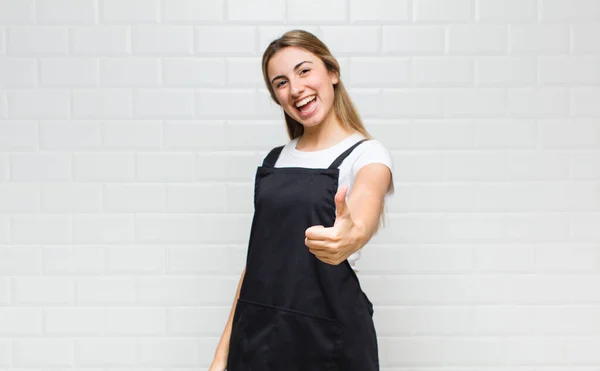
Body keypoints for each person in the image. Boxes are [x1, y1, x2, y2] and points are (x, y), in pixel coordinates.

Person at [209, 29, 394, 371]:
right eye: (280, 82)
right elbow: (256, 264)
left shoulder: (366, 155)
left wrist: (350, 236)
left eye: (304, 70)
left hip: (328, 344)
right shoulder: (275, 160)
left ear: (332, 72)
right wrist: (221, 357)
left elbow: (365, 209)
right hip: (259, 338)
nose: (295, 89)